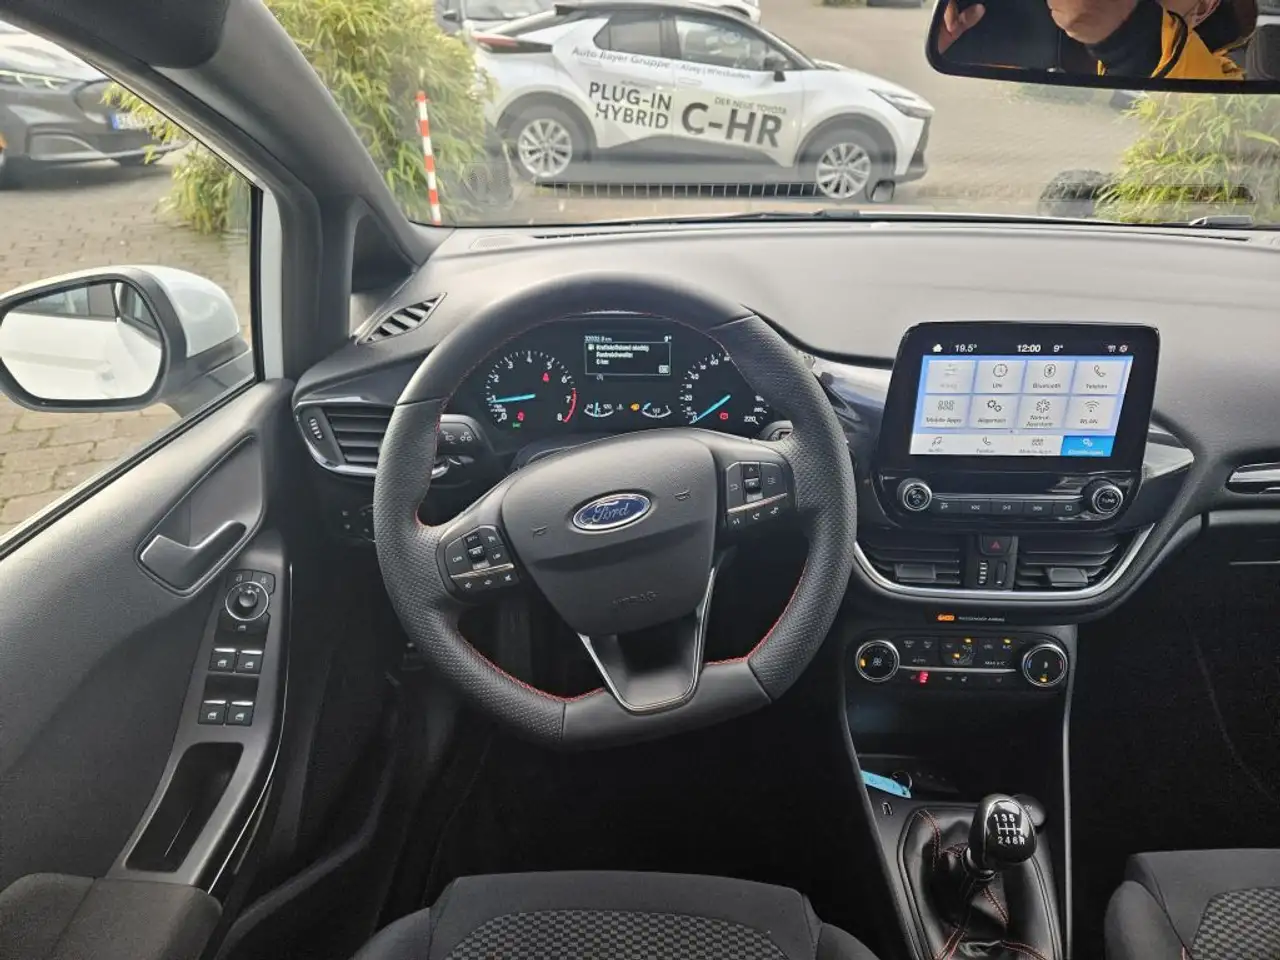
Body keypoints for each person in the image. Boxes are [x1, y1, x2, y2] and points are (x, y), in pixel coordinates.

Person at [938, 0, 1255, 80]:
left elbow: (1216, 119)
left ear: (1205, 5)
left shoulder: (1228, 78)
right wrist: (949, 40)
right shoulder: (1041, 36)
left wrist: (1129, 37)